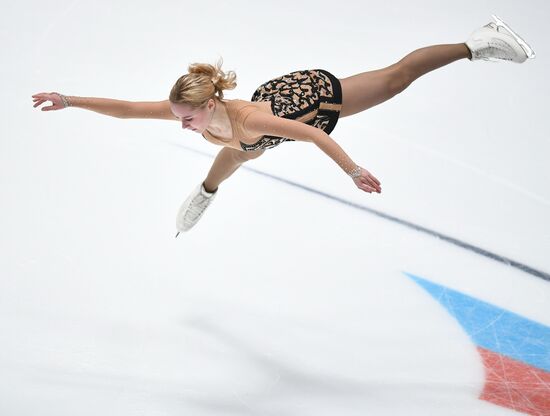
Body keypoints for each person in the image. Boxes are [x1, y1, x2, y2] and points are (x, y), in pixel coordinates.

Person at [32, 15, 534, 235]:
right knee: (237, 153)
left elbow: (315, 133)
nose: (180, 125)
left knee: (396, 79)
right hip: (258, 127)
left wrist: (352, 169)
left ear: (210, 106)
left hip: (310, 101)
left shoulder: (249, 118)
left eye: (188, 119)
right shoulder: (202, 115)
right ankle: (205, 193)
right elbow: (125, 108)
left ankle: (479, 42)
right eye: (180, 118)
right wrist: (68, 99)